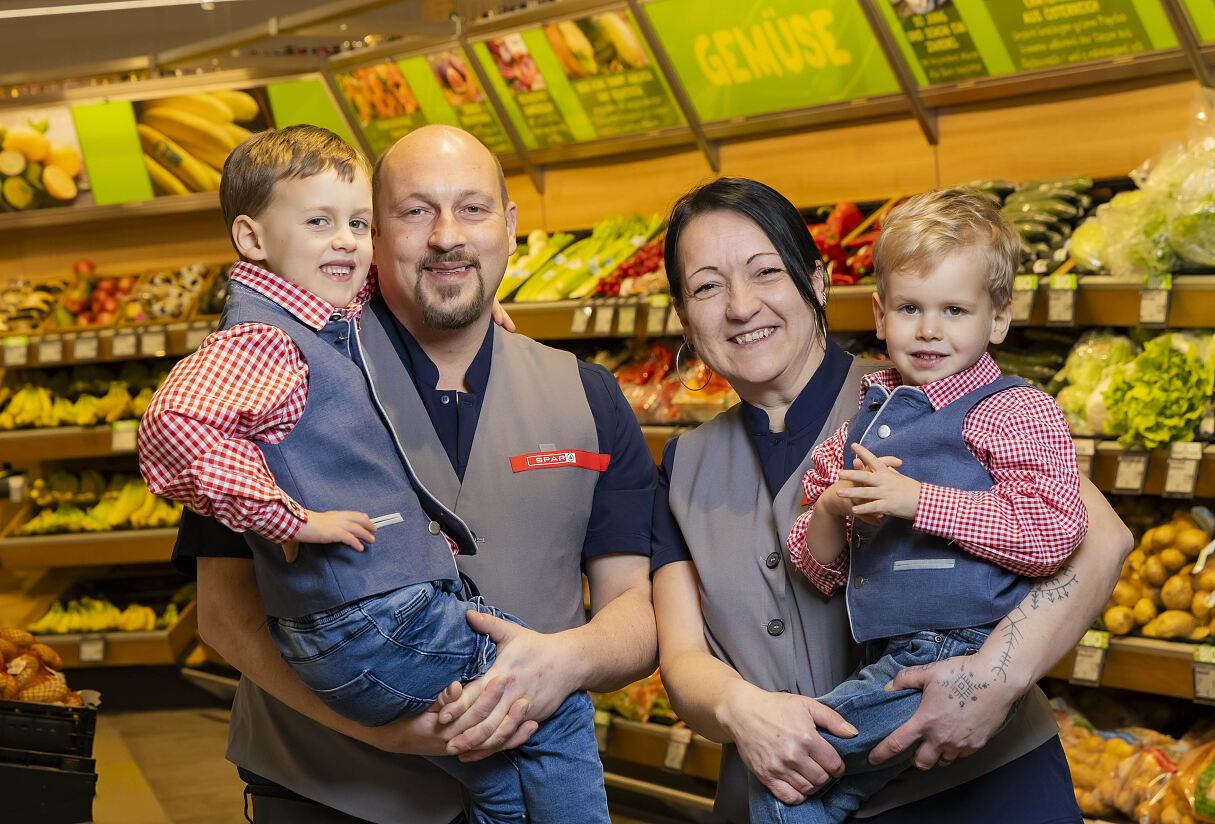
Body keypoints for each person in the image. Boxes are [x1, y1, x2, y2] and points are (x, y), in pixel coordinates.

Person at [171, 125, 657, 823]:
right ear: (372, 235)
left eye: (473, 209)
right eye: (414, 212)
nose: (447, 237)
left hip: (521, 783)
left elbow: (632, 617)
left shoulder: (586, 395)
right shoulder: (279, 366)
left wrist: (567, 662)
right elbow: (221, 615)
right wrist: (377, 730)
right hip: (322, 794)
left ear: (511, 227)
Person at [650, 177, 1132, 823]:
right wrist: (743, 712)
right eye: (706, 286)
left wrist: (993, 678)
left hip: (975, 787)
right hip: (785, 790)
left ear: (817, 283)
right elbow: (681, 656)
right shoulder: (682, 465)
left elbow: (1097, 538)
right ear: (683, 313)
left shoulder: (932, 391)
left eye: (766, 272)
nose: (741, 307)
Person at [754, 187, 1087, 823]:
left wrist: (919, 501)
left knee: (790, 776)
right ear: (880, 316)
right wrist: (832, 513)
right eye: (910, 307)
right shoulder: (866, 416)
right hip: (894, 656)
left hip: (960, 649)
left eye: (954, 310)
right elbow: (815, 568)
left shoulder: (1015, 412)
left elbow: (1051, 536)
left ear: (997, 319)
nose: (929, 329)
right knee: (828, 794)